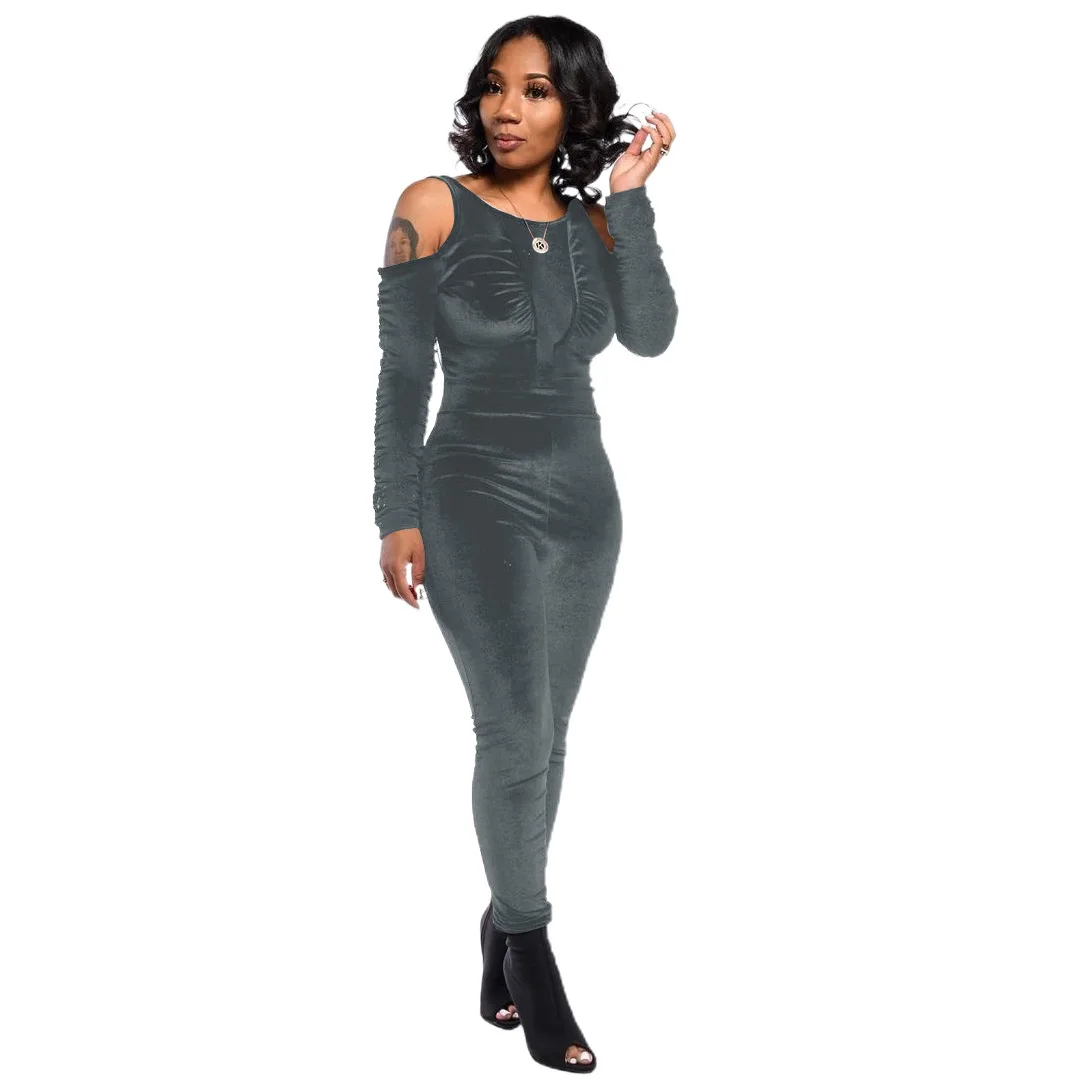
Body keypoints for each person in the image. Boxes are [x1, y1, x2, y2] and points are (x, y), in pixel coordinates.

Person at [372, 16, 677, 1073]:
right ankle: (531, 946)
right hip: (468, 491)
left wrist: (629, 199)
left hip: (586, 501)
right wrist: (395, 511)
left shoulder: (595, 222)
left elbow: (650, 336)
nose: (507, 110)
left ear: (575, 108)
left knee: (548, 737)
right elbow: (402, 374)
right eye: (495, 86)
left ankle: (499, 927)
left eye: (537, 91)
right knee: (512, 732)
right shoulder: (430, 206)